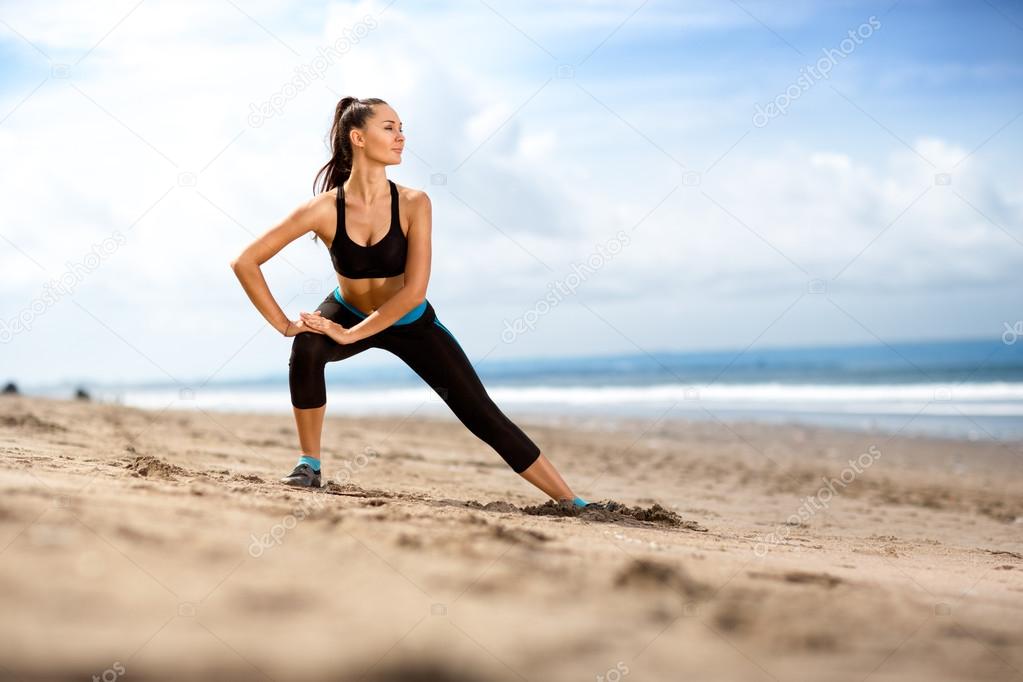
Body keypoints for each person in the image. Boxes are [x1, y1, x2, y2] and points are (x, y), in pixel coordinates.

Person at [230, 96, 588, 508]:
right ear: (358, 137)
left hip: (410, 321)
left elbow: (413, 291)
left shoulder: (415, 203)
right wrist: (285, 324)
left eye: (401, 128)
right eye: (389, 127)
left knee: (480, 414)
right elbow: (245, 261)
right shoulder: (325, 209)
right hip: (347, 310)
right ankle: (309, 465)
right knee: (307, 346)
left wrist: (350, 335)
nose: (401, 137)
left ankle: (571, 500)